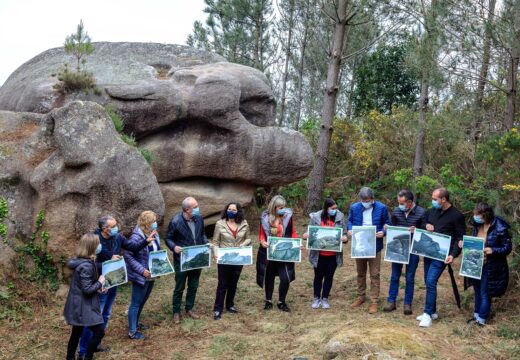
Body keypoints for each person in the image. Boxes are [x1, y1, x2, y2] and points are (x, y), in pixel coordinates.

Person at [417, 187, 465, 328]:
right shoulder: (432, 211)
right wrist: (426, 224)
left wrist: (453, 254)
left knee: (431, 281)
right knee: (427, 280)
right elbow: (422, 220)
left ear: (443, 199)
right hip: (428, 252)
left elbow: (460, 238)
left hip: (442, 255)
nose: (433, 201)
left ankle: (427, 315)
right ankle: (432, 312)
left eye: (435, 199)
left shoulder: (457, 216)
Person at [78, 215, 125, 357]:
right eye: (114, 225)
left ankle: (95, 343)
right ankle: (83, 350)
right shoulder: (94, 241)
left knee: (106, 314)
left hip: (113, 281)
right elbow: (87, 263)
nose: (117, 227)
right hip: (99, 285)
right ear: (105, 229)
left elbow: (128, 246)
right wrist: (108, 262)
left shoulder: (116, 237)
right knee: (94, 319)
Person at [467, 202, 512, 326]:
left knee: (485, 292)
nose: (475, 216)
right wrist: (465, 244)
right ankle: (476, 316)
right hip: (476, 264)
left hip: (491, 266)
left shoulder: (500, 227)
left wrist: (493, 250)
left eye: (478, 214)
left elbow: (507, 248)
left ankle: (481, 320)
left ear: (485, 215)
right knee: (476, 290)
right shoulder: (477, 225)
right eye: (475, 214)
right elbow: (474, 241)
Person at [347, 187, 390, 314]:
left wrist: (383, 232)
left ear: (372, 198)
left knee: (375, 274)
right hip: (359, 245)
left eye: (367, 200)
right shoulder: (354, 207)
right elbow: (349, 221)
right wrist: (349, 229)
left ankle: (374, 301)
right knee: (360, 272)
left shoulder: (382, 208)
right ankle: (361, 296)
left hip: (375, 245)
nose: (365, 202)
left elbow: (387, 224)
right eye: (363, 200)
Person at [166, 197, 208, 324]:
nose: (197, 208)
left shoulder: (199, 218)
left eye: (197, 206)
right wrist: (174, 247)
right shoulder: (175, 221)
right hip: (182, 260)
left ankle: (189, 308)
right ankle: (176, 312)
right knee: (179, 287)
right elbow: (168, 238)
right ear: (187, 209)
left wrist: (206, 243)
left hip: (198, 258)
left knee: (193, 285)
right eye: (195, 207)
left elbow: (202, 234)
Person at [63, 233, 106, 360]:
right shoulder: (86, 265)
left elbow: (84, 286)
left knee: (76, 332)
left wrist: (98, 288)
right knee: (99, 332)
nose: (100, 246)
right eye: (98, 244)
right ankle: (88, 357)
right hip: (83, 306)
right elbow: (87, 290)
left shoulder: (83, 261)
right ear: (92, 247)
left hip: (79, 303)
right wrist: (100, 282)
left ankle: (70, 357)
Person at [383, 190, 426, 315]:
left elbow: (426, 231)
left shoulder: (421, 212)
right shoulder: (396, 211)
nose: (399, 205)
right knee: (394, 276)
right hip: (397, 249)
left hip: (413, 250)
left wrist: (417, 230)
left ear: (410, 202)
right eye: (398, 202)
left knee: (410, 277)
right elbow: (393, 226)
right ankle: (391, 301)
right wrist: (387, 228)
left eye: (402, 203)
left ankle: (408, 303)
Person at [302, 198, 348, 309]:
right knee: (318, 276)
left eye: (336, 208)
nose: (335, 210)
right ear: (326, 208)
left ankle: (325, 298)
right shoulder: (316, 217)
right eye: (332, 208)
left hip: (333, 255)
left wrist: (345, 238)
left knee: (329, 276)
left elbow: (345, 234)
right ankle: (316, 298)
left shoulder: (340, 217)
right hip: (319, 255)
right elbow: (310, 232)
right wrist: (305, 236)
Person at [256, 195, 298, 312]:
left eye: (283, 207)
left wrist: (296, 242)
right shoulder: (265, 218)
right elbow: (261, 234)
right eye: (279, 207)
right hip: (269, 252)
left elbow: (293, 232)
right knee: (269, 277)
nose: (282, 209)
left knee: (285, 277)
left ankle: (281, 301)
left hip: (284, 251)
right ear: (273, 207)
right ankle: (268, 301)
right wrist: (262, 241)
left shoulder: (288, 217)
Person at [211, 202, 251, 320]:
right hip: (224, 257)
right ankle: (218, 309)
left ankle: (230, 305)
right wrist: (216, 254)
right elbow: (215, 242)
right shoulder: (220, 224)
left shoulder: (244, 224)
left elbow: (248, 238)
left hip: (238, 257)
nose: (231, 211)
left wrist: (242, 245)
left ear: (238, 211)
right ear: (226, 210)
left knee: (233, 283)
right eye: (229, 209)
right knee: (222, 284)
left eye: (234, 210)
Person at [124, 210, 160, 339]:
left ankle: (136, 323)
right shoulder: (136, 237)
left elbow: (156, 250)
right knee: (135, 303)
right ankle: (132, 332)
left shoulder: (154, 233)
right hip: (141, 274)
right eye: (154, 221)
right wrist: (141, 270)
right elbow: (128, 256)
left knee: (143, 301)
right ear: (147, 223)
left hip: (152, 274)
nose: (156, 223)